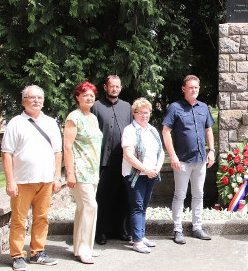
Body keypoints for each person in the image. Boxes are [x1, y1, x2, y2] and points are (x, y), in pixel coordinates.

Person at [1, 85, 62, 271]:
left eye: (39, 98)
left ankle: (37, 252)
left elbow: (57, 152)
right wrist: (10, 181)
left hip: (45, 180)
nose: (36, 101)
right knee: (19, 220)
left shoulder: (51, 123)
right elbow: (6, 153)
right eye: (31, 97)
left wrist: (57, 176)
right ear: (23, 101)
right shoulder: (15, 123)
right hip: (22, 181)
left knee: (42, 218)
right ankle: (17, 255)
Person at [162, 75, 215, 245]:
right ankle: (177, 229)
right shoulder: (175, 108)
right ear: (183, 89)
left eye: (196, 87)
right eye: (190, 87)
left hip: (200, 160)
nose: (194, 90)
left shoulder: (204, 107)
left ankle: (197, 227)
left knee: (199, 194)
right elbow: (165, 131)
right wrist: (172, 155)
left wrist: (211, 150)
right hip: (182, 161)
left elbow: (208, 130)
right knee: (180, 195)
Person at [64, 81, 103, 264]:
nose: (89, 98)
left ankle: (81, 246)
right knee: (90, 206)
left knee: (83, 209)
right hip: (80, 170)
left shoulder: (93, 117)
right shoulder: (74, 117)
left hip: (92, 170)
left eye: (92, 95)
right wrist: (70, 173)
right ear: (77, 97)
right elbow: (67, 147)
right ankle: (84, 249)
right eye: (85, 94)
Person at [91, 75, 133, 245]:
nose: (114, 89)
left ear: (120, 88)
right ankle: (101, 231)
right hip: (104, 161)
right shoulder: (96, 107)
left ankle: (120, 229)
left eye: (117, 86)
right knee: (103, 198)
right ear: (105, 87)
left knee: (122, 197)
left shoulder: (127, 107)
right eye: (111, 86)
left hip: (124, 160)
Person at [122, 98, 165, 254]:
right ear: (134, 113)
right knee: (137, 206)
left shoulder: (152, 130)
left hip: (150, 174)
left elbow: (161, 152)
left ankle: (141, 235)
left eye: (147, 113)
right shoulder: (129, 130)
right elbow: (128, 155)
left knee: (144, 205)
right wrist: (146, 169)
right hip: (135, 175)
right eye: (140, 113)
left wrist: (156, 168)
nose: (144, 116)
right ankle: (137, 241)